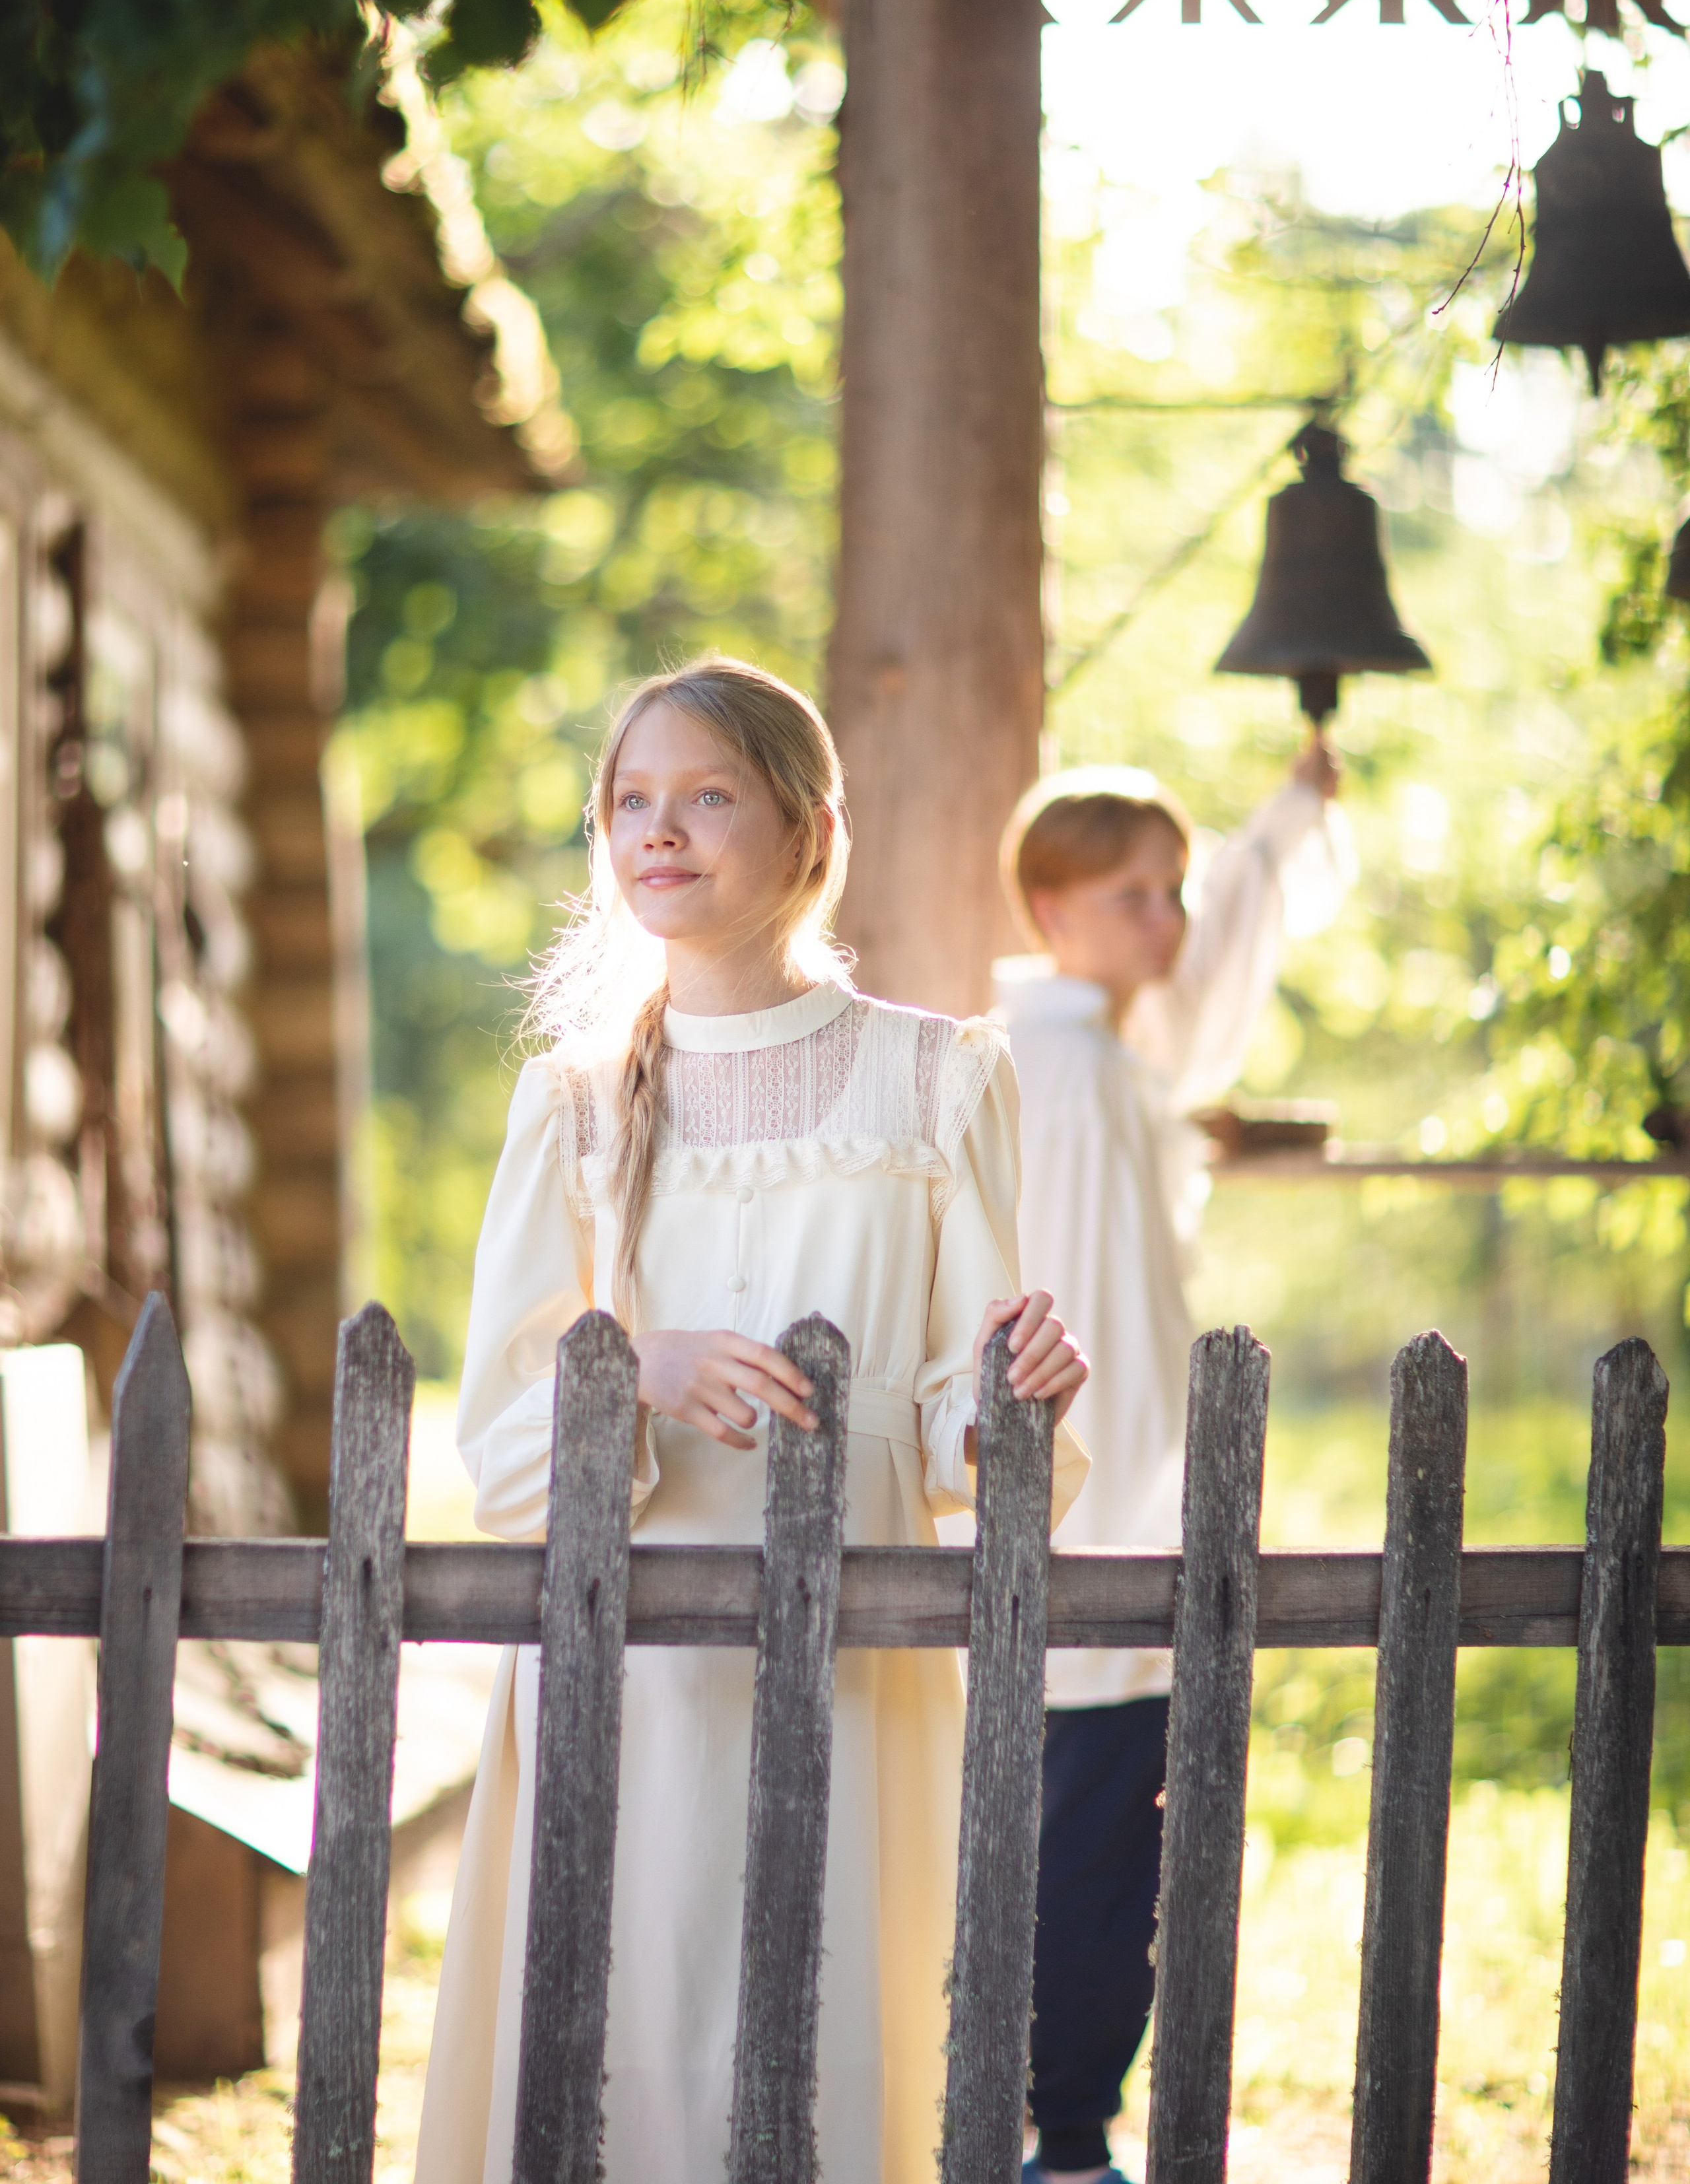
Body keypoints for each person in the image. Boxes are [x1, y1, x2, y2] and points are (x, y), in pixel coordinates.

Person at [415, 656, 1091, 2184]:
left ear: (811, 830)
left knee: (830, 2040)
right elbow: (502, 1448)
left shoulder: (939, 1079)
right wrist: (635, 1370)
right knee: (623, 2033)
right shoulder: (574, 1101)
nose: (660, 830)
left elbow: (957, 1421)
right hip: (626, 1663)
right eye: (631, 801)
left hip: (853, 1657)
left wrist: (1009, 1402)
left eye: (708, 795)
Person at [999, 737, 1350, 2184]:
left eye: (1176, 891)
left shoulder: (1086, 1053)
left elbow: (1194, 1011)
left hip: (1095, 1509)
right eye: (1134, 895)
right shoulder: (1072, 1073)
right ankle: (1069, 2138)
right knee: (1087, 1839)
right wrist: (1139, 1499)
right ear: (1050, 910)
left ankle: (1058, 2122)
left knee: (1073, 1829)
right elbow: (1079, 1307)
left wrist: (1286, 818)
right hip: (1099, 1510)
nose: (1169, 921)